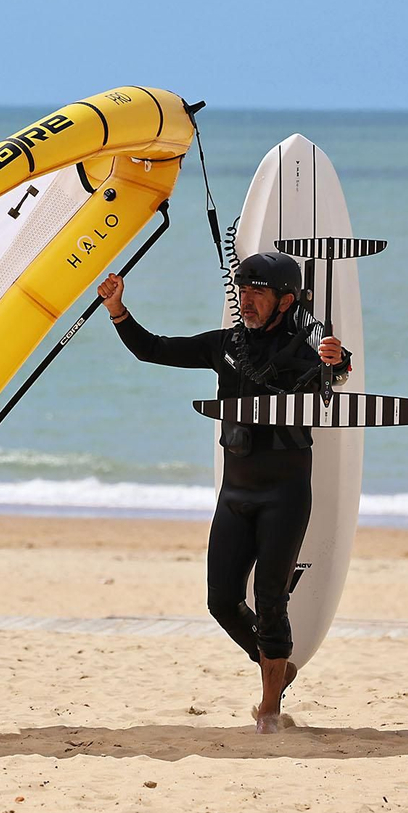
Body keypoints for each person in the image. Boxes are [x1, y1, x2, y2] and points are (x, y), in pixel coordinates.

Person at [99, 252, 347, 734]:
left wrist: (337, 361)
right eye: (243, 289)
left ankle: (270, 704)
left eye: (258, 291)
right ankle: (278, 667)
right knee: (220, 600)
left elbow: (333, 369)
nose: (246, 299)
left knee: (272, 598)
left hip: (285, 494)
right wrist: (117, 310)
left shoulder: (305, 347)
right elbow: (153, 349)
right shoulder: (225, 345)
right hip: (236, 494)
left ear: (285, 300)